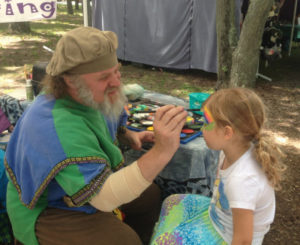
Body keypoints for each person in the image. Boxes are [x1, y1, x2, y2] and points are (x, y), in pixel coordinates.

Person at [4, 26, 188, 245]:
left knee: (149, 196)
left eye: (117, 71)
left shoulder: (87, 94)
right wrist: (162, 151)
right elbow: (103, 198)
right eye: (104, 77)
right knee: (122, 241)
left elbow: (106, 117)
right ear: (71, 80)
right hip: (48, 208)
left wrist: (127, 134)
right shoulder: (56, 125)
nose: (117, 82)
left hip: (78, 193)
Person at [150, 88, 286, 245]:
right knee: (171, 201)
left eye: (206, 124)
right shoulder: (231, 150)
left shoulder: (242, 181)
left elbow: (242, 241)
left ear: (227, 133)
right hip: (218, 216)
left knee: (165, 242)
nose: (202, 129)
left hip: (227, 238)